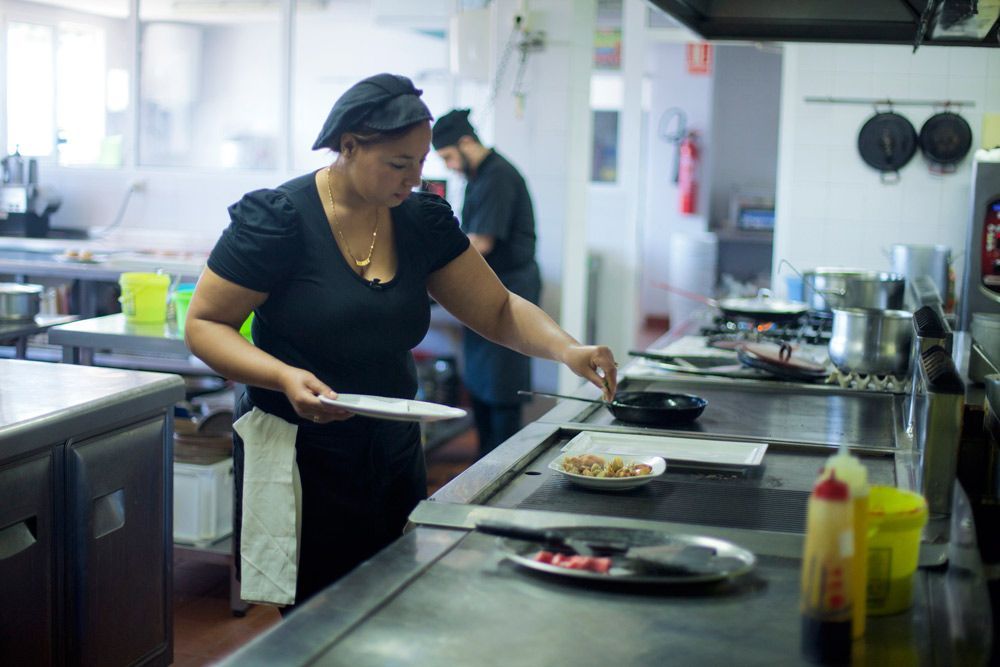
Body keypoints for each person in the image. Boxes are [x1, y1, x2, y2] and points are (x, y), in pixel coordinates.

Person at [184, 73, 618, 610]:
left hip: (390, 451)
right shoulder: (279, 220)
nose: (414, 178)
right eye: (398, 164)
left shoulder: (419, 221)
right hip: (299, 454)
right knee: (316, 613)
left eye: (420, 163)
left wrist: (567, 349)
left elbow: (499, 308)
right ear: (349, 146)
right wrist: (281, 376)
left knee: (393, 600)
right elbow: (204, 324)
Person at [431, 109, 542, 457]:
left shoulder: (497, 176)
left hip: (508, 291)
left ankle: (504, 467)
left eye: (448, 156)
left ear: (466, 143)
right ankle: (485, 465)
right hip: (487, 287)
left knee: (502, 386)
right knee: (481, 383)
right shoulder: (477, 176)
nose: (449, 165)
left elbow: (480, 243)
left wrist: (434, 271)